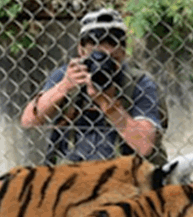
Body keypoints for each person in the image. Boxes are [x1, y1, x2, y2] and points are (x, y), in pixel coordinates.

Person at [20, 8, 167, 165]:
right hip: (73, 173)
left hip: (126, 175)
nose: (103, 67)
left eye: (112, 60)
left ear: (123, 53)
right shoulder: (69, 75)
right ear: (81, 51)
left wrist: (109, 105)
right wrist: (63, 87)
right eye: (96, 58)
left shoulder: (139, 83)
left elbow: (144, 146)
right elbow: (28, 121)